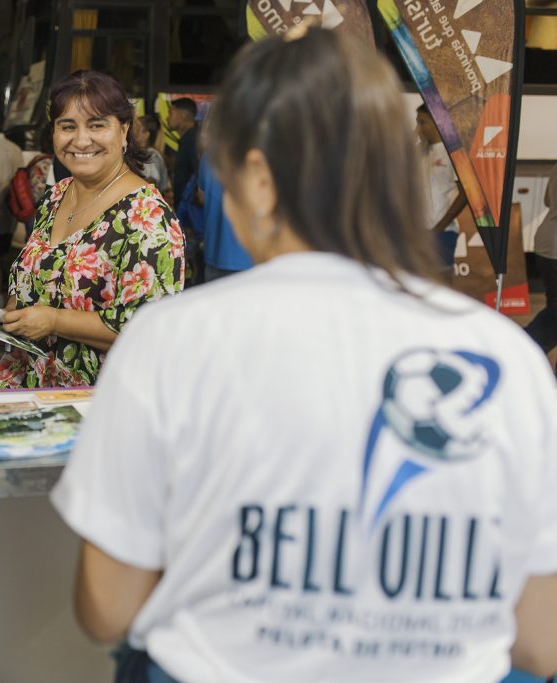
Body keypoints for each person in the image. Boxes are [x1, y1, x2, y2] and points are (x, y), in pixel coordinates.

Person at [52, 28, 557, 683]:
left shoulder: (172, 340)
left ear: (259, 180)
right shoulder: (502, 357)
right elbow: (541, 640)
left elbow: (106, 608)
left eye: (223, 179)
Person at [0, 70, 186, 388]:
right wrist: (17, 307)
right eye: (67, 126)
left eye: (97, 125)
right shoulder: (58, 194)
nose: (81, 140)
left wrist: (53, 320)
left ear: (124, 131)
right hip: (33, 393)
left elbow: (149, 331)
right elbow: (40, 276)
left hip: (101, 406)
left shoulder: (149, 217)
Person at [416, 103, 468, 268]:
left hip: (442, 233)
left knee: (441, 284)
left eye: (422, 122)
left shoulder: (454, 152)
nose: (418, 128)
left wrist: (441, 226)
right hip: (419, 231)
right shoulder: (419, 150)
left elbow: (466, 192)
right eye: (417, 122)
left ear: (437, 122)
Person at [197, 160, 252, 281]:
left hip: (214, 254)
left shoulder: (210, 153)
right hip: (250, 257)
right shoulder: (260, 153)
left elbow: (201, 196)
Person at [526, 162, 557, 368]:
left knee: (555, 309)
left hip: (546, 242)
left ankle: (522, 349)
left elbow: (548, 200)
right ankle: (522, 350)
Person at [168, 97, 198, 207]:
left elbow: (197, 175)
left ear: (182, 115)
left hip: (190, 211)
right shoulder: (187, 139)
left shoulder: (194, 141)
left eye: (171, 113)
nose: (167, 118)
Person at [133, 114, 171, 197]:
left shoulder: (151, 156)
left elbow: (151, 182)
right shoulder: (141, 154)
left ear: (146, 134)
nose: (132, 132)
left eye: (137, 129)